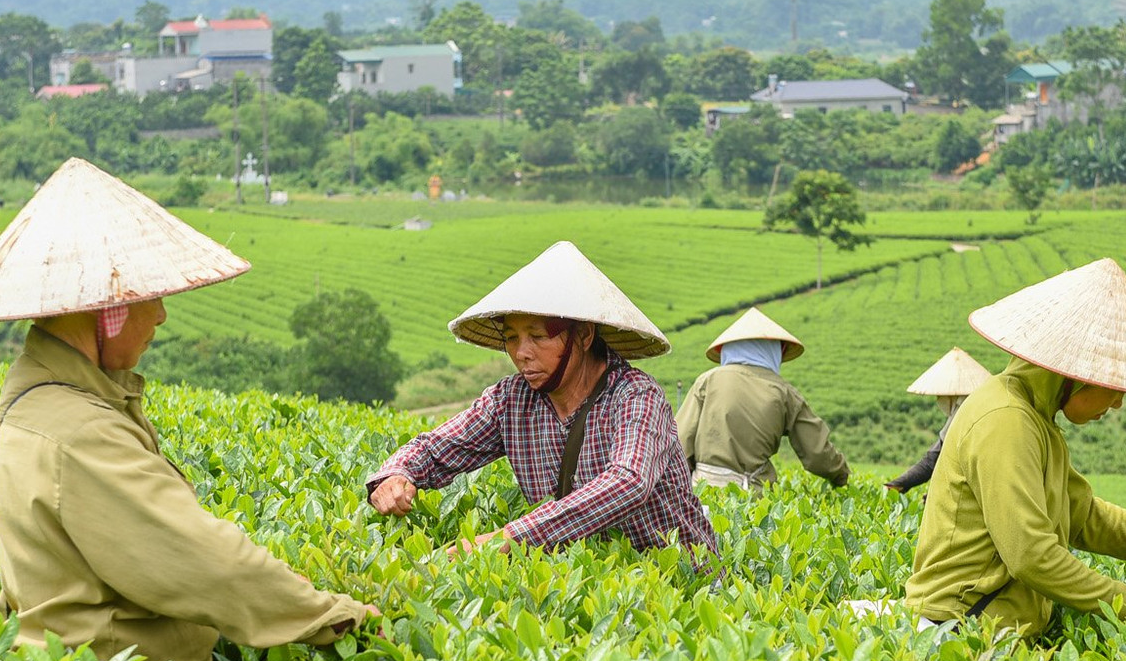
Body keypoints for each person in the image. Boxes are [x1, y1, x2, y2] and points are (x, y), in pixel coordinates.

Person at [0, 157, 377, 661]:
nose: (162, 317)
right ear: (110, 312)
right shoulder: (78, 432)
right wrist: (332, 615)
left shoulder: (41, 401)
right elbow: (202, 562)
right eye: (150, 299)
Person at [902, 258, 1126, 637]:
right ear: (1079, 375)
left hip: (992, 630)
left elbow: (1085, 517)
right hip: (959, 632)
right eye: (1115, 388)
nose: (1117, 404)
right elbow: (1032, 556)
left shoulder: (1035, 418)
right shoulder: (1005, 420)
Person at [367, 240, 718, 560]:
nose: (522, 353)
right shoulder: (512, 401)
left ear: (583, 335)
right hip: (587, 579)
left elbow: (628, 482)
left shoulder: (636, 396)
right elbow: (436, 448)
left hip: (677, 578)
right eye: (512, 338)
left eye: (537, 336)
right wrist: (397, 475)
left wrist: (512, 536)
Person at [675, 306, 848, 492]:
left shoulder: (708, 381)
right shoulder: (785, 393)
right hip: (756, 494)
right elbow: (817, 453)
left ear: (728, 348)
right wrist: (842, 476)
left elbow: (680, 441)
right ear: (774, 351)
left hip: (704, 490)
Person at [886, 347, 994, 493]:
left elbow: (935, 461)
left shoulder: (968, 411)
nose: (939, 400)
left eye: (940, 396)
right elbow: (933, 456)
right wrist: (898, 484)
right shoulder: (961, 408)